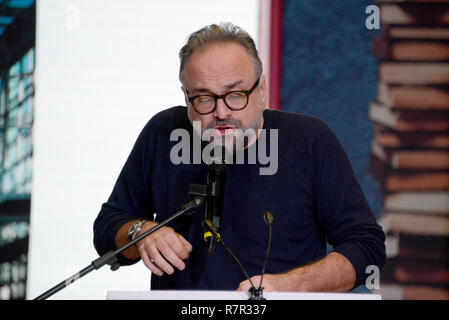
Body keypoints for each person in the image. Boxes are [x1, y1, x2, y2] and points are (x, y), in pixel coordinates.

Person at [93, 22, 386, 292]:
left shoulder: (309, 141)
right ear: (186, 99)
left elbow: (366, 248)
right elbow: (107, 228)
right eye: (204, 98)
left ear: (262, 91)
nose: (221, 113)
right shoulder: (163, 134)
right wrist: (141, 233)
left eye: (235, 95)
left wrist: (287, 288)